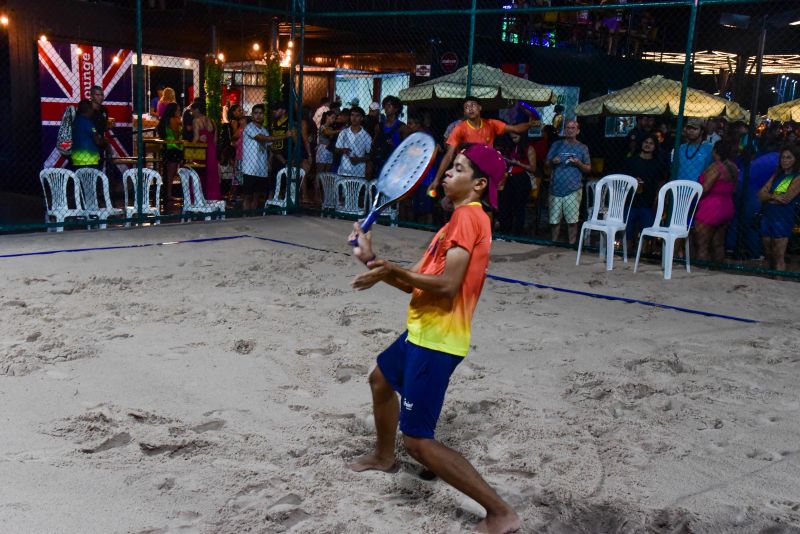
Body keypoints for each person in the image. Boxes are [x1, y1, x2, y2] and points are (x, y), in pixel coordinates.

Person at [347, 143, 521, 534]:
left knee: (419, 442)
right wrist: (372, 261)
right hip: (422, 329)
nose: (446, 173)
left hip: (438, 340)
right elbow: (417, 286)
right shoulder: (454, 223)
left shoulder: (468, 220)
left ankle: (500, 513)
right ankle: (382, 456)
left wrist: (388, 268)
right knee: (380, 379)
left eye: (457, 169)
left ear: (478, 185)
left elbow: (447, 285)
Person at [427, 97, 537, 198]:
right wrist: (436, 180)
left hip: (485, 171)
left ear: (480, 107)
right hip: (467, 172)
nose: (470, 108)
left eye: (473, 105)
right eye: (466, 107)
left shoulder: (491, 124)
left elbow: (516, 129)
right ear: (464, 112)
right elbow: (449, 154)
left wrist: (530, 124)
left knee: (488, 205)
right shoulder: (460, 128)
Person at [240, 104, 293, 212]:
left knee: (257, 196)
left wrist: (283, 160)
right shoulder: (249, 127)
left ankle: (252, 217)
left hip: (261, 169)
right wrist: (285, 136)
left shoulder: (264, 130)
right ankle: (245, 217)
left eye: (261, 113)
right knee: (247, 196)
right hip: (249, 169)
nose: (258, 116)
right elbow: (262, 138)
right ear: (252, 115)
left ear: (264, 115)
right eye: (256, 113)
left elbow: (271, 148)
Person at [545, 119, 591, 244]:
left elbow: (588, 168)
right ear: (564, 130)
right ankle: (553, 243)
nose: (570, 130)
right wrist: (553, 161)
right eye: (568, 128)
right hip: (556, 187)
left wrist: (578, 163)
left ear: (578, 131)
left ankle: (571, 245)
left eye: (573, 128)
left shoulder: (582, 148)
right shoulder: (556, 145)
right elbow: (546, 163)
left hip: (573, 188)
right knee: (554, 221)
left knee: (572, 221)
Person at [693, 139, 738, 263]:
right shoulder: (733, 167)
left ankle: (701, 270)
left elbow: (706, 187)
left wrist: (691, 196)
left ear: (715, 151)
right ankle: (718, 269)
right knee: (718, 243)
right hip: (727, 205)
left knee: (702, 244)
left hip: (711, 206)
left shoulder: (715, 167)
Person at [757, 144, 800, 272]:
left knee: (779, 253)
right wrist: (774, 197)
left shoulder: (797, 177)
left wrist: (769, 196)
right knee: (768, 250)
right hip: (768, 215)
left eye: (789, 158)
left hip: (783, 217)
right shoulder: (776, 174)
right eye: (783, 157)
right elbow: (760, 195)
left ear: (796, 160)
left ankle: (779, 279)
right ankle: (772, 277)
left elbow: (786, 198)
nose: (785, 160)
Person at [622, 133, 667, 252]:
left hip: (648, 201)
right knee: (627, 228)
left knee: (647, 230)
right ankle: (626, 252)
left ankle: (642, 255)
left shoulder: (658, 164)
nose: (648, 145)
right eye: (646, 142)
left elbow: (662, 181)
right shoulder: (631, 161)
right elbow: (622, 180)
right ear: (641, 144)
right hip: (630, 200)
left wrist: (658, 197)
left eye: (651, 143)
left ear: (655, 146)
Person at [498, 131, 536, 235]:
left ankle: (517, 234)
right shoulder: (510, 147)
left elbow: (533, 168)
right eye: (512, 135)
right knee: (504, 206)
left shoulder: (529, 148)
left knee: (518, 208)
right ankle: (504, 233)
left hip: (522, 178)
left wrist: (519, 164)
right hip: (508, 178)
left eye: (516, 134)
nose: (513, 136)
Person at [371, 95, 411, 177]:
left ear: (396, 109)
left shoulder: (403, 128)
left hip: (394, 165)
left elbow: (407, 149)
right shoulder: (379, 126)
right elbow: (373, 144)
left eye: (389, 105)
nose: (386, 108)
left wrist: (394, 145)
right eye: (385, 105)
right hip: (379, 164)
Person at [191, 100, 221, 201]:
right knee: (211, 173)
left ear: (197, 110)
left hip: (200, 150)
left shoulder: (196, 121)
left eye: (192, 111)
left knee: (198, 173)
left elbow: (195, 138)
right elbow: (215, 140)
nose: (192, 113)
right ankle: (212, 196)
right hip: (211, 149)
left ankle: (198, 197)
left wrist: (191, 149)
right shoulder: (212, 121)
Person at [335, 106, 372, 178]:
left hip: (360, 172)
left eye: (357, 115)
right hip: (344, 171)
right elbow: (336, 149)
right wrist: (343, 150)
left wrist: (359, 159)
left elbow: (370, 155)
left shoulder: (366, 136)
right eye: (352, 115)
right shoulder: (343, 133)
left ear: (362, 118)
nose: (354, 118)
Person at [156, 102, 183, 201]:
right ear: (173, 111)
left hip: (167, 147)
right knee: (171, 173)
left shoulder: (165, 120)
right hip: (174, 147)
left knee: (168, 173)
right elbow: (176, 135)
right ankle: (168, 194)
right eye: (178, 110)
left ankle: (166, 193)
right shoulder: (174, 120)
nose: (180, 112)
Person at [674, 118, 713, 183]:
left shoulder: (709, 149)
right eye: (689, 128)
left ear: (702, 131)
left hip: (698, 188)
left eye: (695, 129)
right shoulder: (681, 148)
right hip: (679, 188)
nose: (691, 131)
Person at [70, 99, 106, 170]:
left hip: (75, 160)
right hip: (89, 161)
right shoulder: (88, 123)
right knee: (92, 180)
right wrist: (105, 142)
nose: (93, 111)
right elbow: (97, 141)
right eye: (92, 108)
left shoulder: (75, 121)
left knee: (79, 180)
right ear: (89, 109)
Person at [89, 85, 110, 173]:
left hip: (100, 145)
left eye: (102, 95)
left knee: (99, 170)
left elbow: (104, 127)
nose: (100, 97)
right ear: (91, 96)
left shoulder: (104, 110)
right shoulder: (87, 110)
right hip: (89, 145)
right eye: (97, 95)